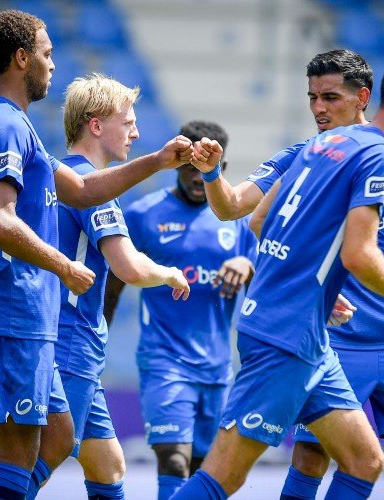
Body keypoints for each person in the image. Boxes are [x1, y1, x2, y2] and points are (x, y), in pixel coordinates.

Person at [196, 49, 384, 500]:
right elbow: (242, 212)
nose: (319, 109)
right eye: (312, 98)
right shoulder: (307, 154)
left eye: (330, 97)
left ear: (362, 97)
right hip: (325, 334)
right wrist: (212, 175)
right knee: (300, 459)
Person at [0, 10, 193, 499]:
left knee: (61, 437)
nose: (52, 65)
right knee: (19, 453)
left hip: (22, 316)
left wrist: (159, 161)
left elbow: (81, 190)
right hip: (10, 308)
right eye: (46, 53)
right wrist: (64, 266)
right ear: (22, 59)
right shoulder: (3, 126)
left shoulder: (15, 125)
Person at [103, 120, 259, 500]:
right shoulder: (142, 216)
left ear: (221, 165)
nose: (195, 176)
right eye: (189, 166)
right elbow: (114, 281)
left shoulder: (236, 222)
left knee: (205, 469)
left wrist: (249, 266)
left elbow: (266, 286)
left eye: (206, 168)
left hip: (218, 368)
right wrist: (97, 334)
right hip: (165, 360)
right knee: (173, 459)